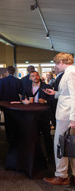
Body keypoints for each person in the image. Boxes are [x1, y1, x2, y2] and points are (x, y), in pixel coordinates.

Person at [43, 52, 75, 186]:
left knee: (60, 144)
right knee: (71, 145)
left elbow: (74, 96)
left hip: (66, 116)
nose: (56, 66)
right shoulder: (69, 72)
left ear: (62, 61)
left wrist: (73, 118)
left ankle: (61, 176)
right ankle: (72, 175)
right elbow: (67, 93)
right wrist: (55, 93)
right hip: (67, 115)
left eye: (56, 63)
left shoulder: (71, 72)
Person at [23, 71, 53, 159]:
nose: (35, 77)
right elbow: (23, 97)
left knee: (47, 135)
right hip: (32, 115)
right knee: (33, 136)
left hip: (44, 115)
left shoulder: (47, 86)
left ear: (39, 76)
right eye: (33, 76)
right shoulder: (27, 87)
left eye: (36, 75)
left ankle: (50, 156)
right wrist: (24, 102)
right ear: (30, 78)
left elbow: (53, 99)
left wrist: (45, 101)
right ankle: (35, 156)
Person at [0, 66, 23, 142]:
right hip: (15, 102)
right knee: (15, 119)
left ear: (7, 72)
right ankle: (15, 135)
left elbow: (0, 93)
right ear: (14, 72)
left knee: (7, 120)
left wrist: (0, 103)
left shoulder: (2, 80)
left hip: (5, 103)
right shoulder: (18, 81)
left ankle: (8, 136)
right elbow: (21, 92)